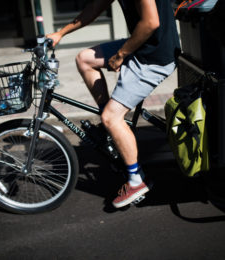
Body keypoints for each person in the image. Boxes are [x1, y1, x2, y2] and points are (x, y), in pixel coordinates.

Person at [47, 0, 180, 208]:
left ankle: (136, 181)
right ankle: (113, 130)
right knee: (84, 59)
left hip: (155, 57)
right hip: (142, 46)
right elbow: (93, 8)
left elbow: (151, 22)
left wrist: (121, 54)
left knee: (111, 117)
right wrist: (60, 33)